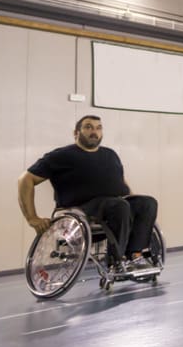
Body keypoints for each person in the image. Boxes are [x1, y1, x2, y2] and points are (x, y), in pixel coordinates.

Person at [17, 115, 158, 271]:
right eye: (88, 127)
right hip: (81, 209)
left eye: (98, 128)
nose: (94, 132)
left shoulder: (110, 154)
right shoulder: (61, 155)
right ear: (76, 133)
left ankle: (134, 256)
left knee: (147, 203)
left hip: (115, 206)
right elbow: (25, 180)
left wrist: (133, 199)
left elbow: (121, 181)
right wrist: (32, 218)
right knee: (119, 205)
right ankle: (117, 261)